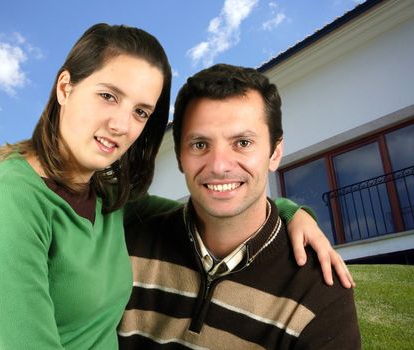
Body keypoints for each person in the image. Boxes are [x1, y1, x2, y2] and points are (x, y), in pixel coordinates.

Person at [0, 24, 351, 350]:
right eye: (108, 96)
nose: (121, 125)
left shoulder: (110, 202)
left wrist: (292, 212)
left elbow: (215, 203)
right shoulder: (8, 202)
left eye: (140, 111)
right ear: (64, 88)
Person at [118, 64, 361, 349]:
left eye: (243, 142)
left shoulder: (318, 291)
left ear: (275, 153)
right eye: (199, 145)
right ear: (180, 157)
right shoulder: (129, 240)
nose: (220, 166)